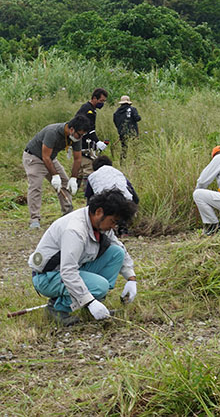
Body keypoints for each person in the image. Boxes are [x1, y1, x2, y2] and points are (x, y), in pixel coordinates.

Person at [27, 189, 139, 326]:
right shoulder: (75, 230)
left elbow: (118, 246)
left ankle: (92, 306)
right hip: (48, 276)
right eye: (113, 221)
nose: (113, 227)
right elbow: (68, 272)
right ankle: (57, 309)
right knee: (101, 286)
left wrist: (131, 279)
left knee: (116, 253)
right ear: (99, 212)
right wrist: (89, 301)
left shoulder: (99, 223)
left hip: (72, 269)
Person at [22, 115, 91, 229]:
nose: (80, 137)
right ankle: (34, 219)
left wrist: (74, 178)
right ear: (72, 129)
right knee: (36, 186)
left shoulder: (76, 137)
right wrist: (54, 176)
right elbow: (45, 157)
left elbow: (78, 159)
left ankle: (68, 213)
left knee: (65, 182)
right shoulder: (52, 132)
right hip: (34, 157)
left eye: (83, 135)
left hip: (50, 158)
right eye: (80, 134)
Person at [85, 155, 139, 236]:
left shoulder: (92, 176)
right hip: (124, 199)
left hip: (106, 201)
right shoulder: (118, 173)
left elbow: (89, 198)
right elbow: (131, 191)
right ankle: (123, 229)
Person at [75, 88, 109, 184]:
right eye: (101, 101)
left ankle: (74, 191)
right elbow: (89, 129)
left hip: (80, 141)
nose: (102, 103)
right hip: (84, 143)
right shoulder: (88, 110)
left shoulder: (89, 109)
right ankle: (87, 192)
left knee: (79, 169)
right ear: (94, 98)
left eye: (104, 101)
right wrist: (97, 142)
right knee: (88, 167)